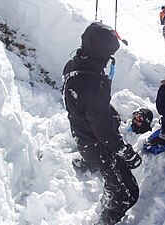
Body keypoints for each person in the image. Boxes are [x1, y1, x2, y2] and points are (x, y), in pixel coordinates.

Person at [62, 22, 142, 224]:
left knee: (115, 182)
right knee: (127, 193)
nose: (108, 61)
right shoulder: (91, 82)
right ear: (101, 52)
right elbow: (104, 130)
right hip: (98, 145)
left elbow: (91, 106)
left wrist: (107, 111)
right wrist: (126, 152)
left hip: (85, 137)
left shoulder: (75, 64)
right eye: (108, 54)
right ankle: (104, 220)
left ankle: (108, 194)